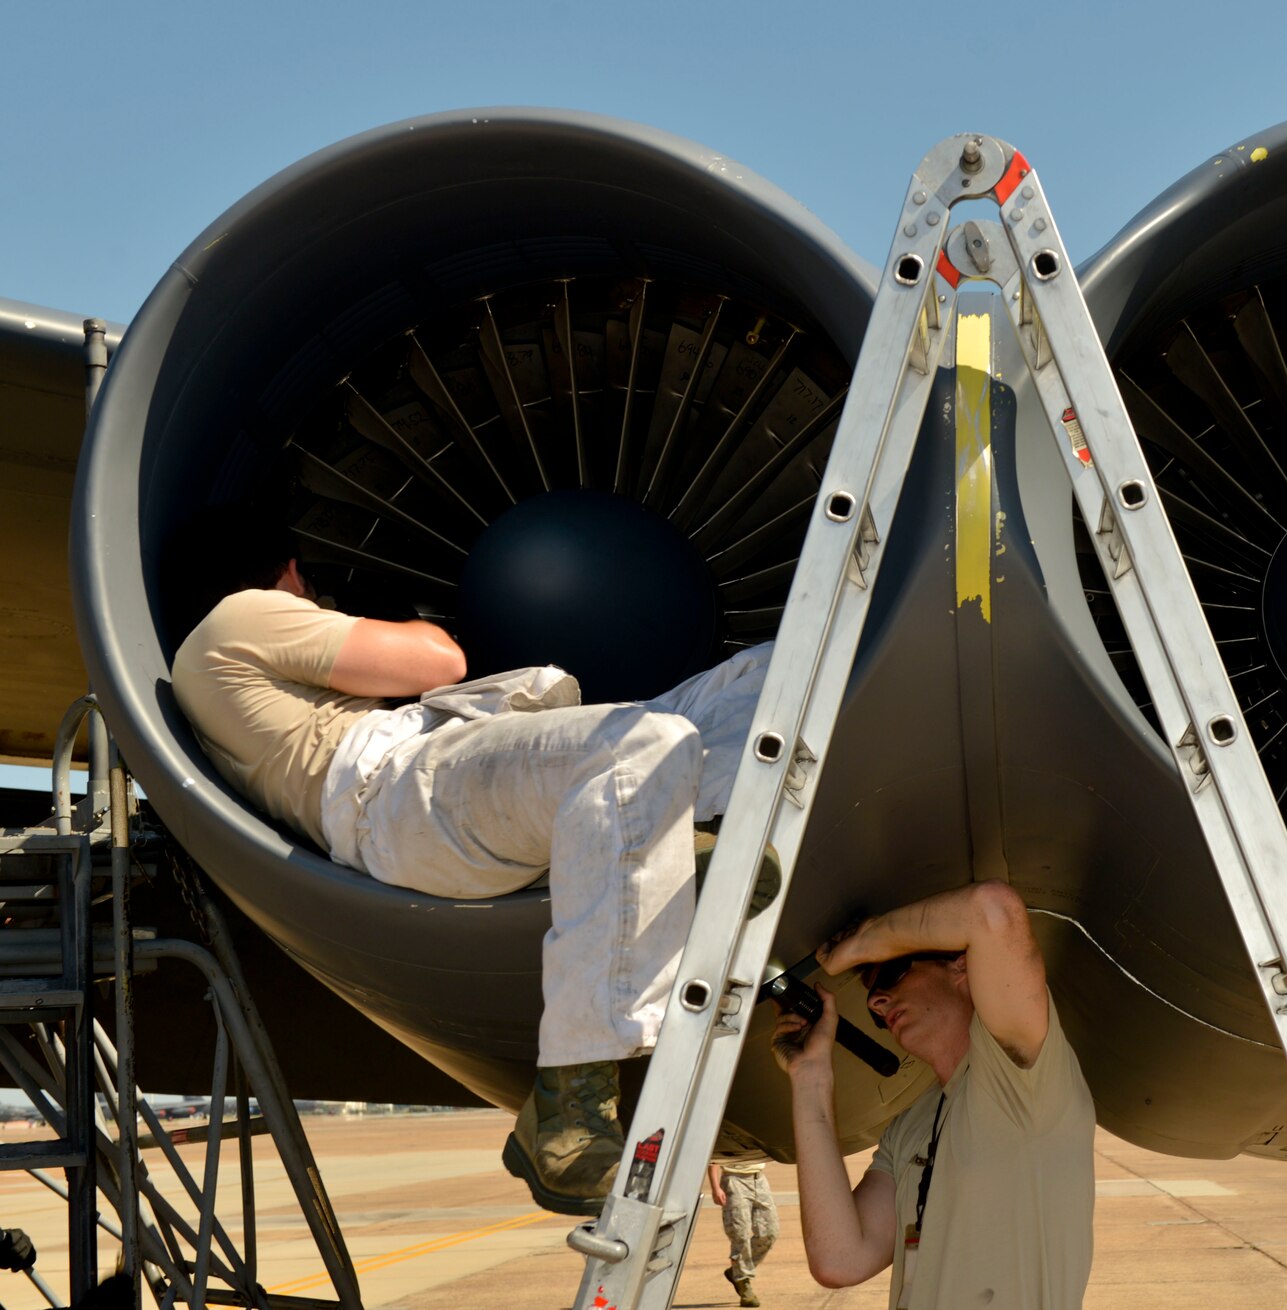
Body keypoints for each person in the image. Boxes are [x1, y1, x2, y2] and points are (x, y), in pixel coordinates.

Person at [167, 508, 771, 1216]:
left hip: (428, 791)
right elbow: (439, 661)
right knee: (640, 745)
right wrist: (406, 625)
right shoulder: (240, 618)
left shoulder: (225, 671)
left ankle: (672, 849)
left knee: (759, 680)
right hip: (397, 791)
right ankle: (570, 1106)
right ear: (290, 575)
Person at [771, 881, 1095, 1309]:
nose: (880, 1002)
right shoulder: (911, 1126)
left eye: (890, 973)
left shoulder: (1024, 1079)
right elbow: (841, 1259)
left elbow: (993, 911)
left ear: (960, 965)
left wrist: (867, 938)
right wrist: (810, 1079)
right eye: (873, 1006)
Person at [707, 1159, 778, 1306]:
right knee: (740, 1235)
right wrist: (715, 1187)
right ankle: (743, 1283)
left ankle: (736, 1271)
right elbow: (715, 1157)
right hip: (734, 1180)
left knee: (770, 1232)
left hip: (759, 1179)